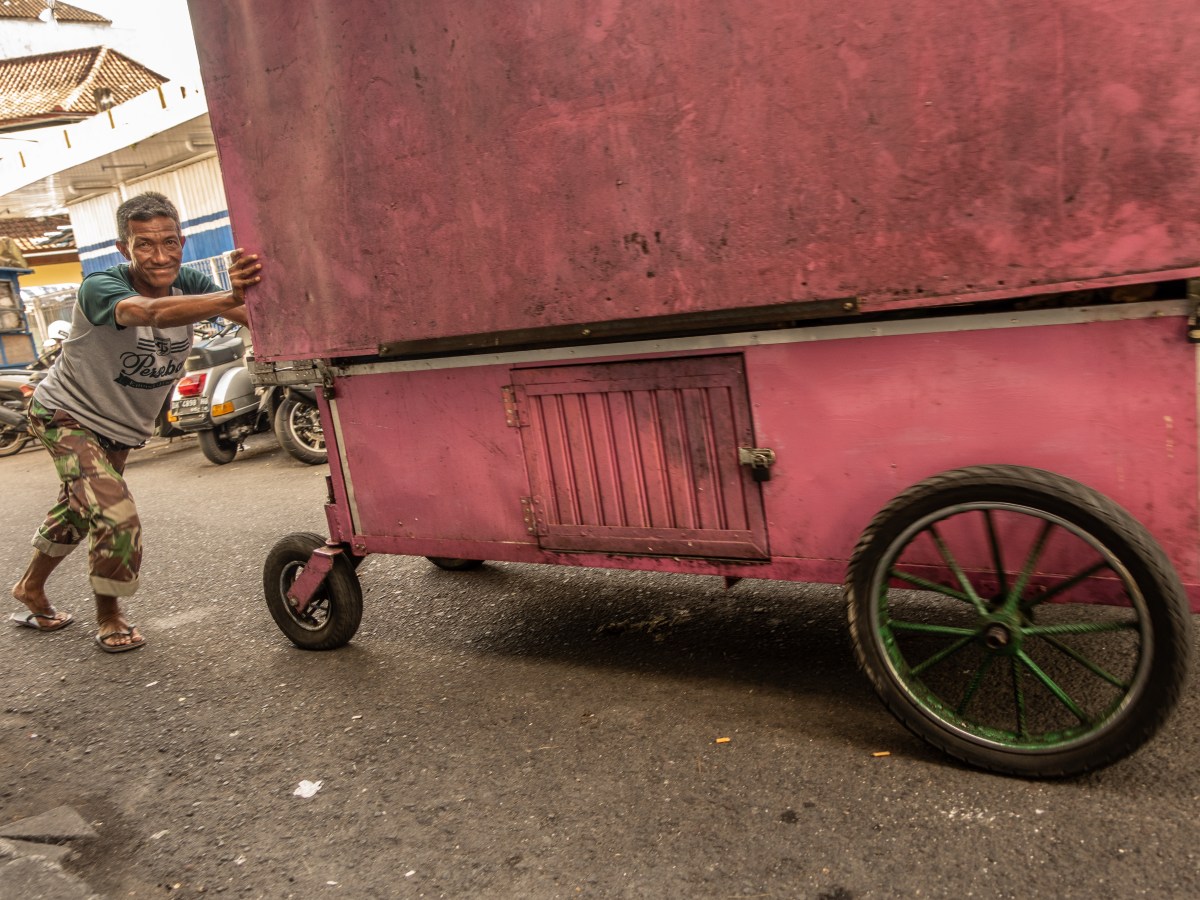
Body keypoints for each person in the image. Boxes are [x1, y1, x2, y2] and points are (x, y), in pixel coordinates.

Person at [8, 191, 261, 653]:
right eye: (145, 244)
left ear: (182, 241)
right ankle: (110, 614)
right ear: (125, 249)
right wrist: (227, 295)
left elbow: (251, 316)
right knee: (115, 514)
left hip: (121, 428)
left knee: (79, 508)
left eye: (169, 242)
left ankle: (29, 588)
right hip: (65, 413)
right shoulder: (101, 286)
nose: (159, 255)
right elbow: (146, 312)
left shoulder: (187, 280)